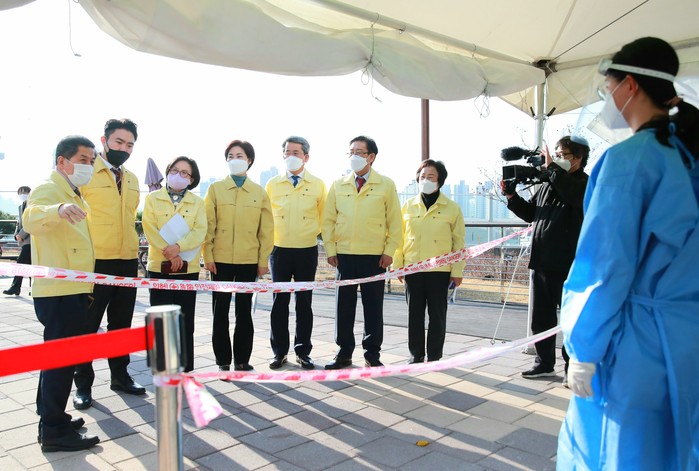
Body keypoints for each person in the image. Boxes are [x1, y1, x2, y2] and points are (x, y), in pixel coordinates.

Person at [557, 37, 699, 470]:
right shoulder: (687, 156)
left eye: (609, 88)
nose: (607, 99)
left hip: (637, 346)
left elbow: (603, 267)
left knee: (618, 454)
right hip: (688, 337)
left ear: (630, 85)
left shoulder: (628, 161)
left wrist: (583, 348)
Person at [23, 135, 100, 452]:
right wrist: (58, 209)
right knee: (60, 360)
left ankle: (51, 418)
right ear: (62, 161)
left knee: (58, 358)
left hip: (72, 288)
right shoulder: (49, 189)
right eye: (83, 160)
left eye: (91, 161)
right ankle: (54, 430)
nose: (88, 166)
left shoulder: (73, 192)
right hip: (60, 291)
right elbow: (30, 218)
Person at [501, 135, 589, 382]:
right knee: (541, 318)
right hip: (541, 260)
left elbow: (574, 197)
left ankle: (572, 367)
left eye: (562, 155)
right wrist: (511, 196)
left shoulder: (584, 183)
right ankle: (544, 362)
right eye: (556, 154)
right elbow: (531, 213)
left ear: (579, 158)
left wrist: (552, 169)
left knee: (571, 319)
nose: (557, 159)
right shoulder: (548, 183)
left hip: (569, 264)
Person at [73, 118, 145, 410]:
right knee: (87, 325)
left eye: (130, 145)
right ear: (104, 141)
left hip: (127, 260)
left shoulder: (132, 179)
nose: (124, 149)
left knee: (121, 324)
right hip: (95, 261)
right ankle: (83, 384)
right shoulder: (85, 173)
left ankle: (120, 376)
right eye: (119, 142)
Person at [321, 136, 402, 369]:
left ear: (371, 157)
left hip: (374, 257)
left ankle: (372, 354)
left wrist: (389, 251)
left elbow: (395, 223)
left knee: (373, 307)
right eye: (351, 152)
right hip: (344, 255)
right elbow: (328, 221)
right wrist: (330, 249)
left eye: (359, 152)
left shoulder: (386, 184)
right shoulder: (339, 184)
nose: (354, 156)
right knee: (344, 307)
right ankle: (344, 352)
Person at [203, 140, 273, 372]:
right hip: (220, 261)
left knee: (244, 312)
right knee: (220, 311)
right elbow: (208, 225)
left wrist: (262, 260)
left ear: (249, 160)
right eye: (230, 156)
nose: (235, 160)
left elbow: (266, 230)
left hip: (248, 261)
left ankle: (242, 359)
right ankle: (223, 360)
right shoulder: (215, 189)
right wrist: (208, 255)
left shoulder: (259, 192)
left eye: (240, 156)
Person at [394, 160, 465, 364]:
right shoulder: (408, 206)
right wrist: (398, 266)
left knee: (437, 316)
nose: (425, 180)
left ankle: (434, 356)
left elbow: (459, 242)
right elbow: (399, 238)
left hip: (440, 271)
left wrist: (457, 271)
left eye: (430, 176)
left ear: (440, 180)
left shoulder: (452, 208)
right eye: (422, 176)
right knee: (414, 315)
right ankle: (416, 354)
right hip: (413, 269)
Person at [265, 136, 326, 370]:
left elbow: (323, 217)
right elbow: (265, 218)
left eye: (296, 153)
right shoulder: (273, 184)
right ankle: (279, 352)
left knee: (304, 303)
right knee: (279, 302)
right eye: (287, 152)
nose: (291, 156)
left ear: (306, 157)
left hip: (306, 250)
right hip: (278, 250)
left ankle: (303, 351)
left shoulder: (317, 184)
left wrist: (310, 234)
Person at [142, 156, 206, 372]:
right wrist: (170, 253)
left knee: (185, 320)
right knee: (160, 319)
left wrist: (179, 247)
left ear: (192, 179)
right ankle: (164, 368)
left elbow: (200, 230)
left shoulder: (197, 203)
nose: (179, 175)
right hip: (159, 267)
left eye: (185, 173)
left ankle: (186, 369)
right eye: (175, 170)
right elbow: (149, 228)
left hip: (188, 268)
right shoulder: (153, 199)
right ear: (168, 171)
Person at [3, 185, 32, 296]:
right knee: (29, 264)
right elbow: (18, 223)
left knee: (21, 263)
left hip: (31, 240)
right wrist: (16, 235)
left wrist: (21, 234)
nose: (22, 194)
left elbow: (31, 222)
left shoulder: (32, 204)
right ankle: (27, 288)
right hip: (24, 241)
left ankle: (15, 287)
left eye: (24, 192)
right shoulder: (20, 206)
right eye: (20, 192)